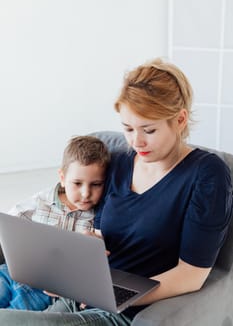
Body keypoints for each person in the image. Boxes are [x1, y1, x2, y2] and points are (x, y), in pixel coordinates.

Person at [0, 57, 232, 325]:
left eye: (149, 130)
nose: (136, 141)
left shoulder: (207, 174)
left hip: (121, 310)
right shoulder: (121, 161)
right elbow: (102, 234)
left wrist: (114, 295)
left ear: (179, 120)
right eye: (128, 129)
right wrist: (81, 255)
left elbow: (192, 275)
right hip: (83, 292)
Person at [0, 135, 110, 311]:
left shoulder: (100, 218)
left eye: (96, 184)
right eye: (77, 183)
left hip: (46, 292)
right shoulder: (41, 201)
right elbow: (8, 226)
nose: (85, 193)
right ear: (62, 178)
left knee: (12, 315)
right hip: (13, 273)